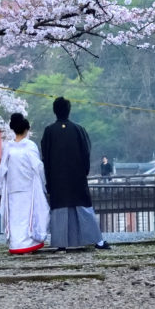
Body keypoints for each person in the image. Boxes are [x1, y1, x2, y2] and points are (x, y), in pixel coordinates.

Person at [39, 97, 110, 250]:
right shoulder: (79, 129)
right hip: (77, 177)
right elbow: (86, 152)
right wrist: (84, 171)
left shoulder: (49, 131)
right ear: (69, 110)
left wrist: (49, 177)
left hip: (57, 178)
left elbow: (45, 156)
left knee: (60, 209)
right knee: (83, 207)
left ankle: (61, 244)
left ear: (55, 111)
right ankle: (97, 240)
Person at [0, 113, 50, 254]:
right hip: (28, 186)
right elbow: (38, 167)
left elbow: (2, 169)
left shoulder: (8, 146)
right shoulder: (30, 146)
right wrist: (44, 183)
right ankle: (28, 243)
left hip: (13, 187)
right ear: (26, 129)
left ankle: (16, 244)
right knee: (29, 216)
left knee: (15, 217)